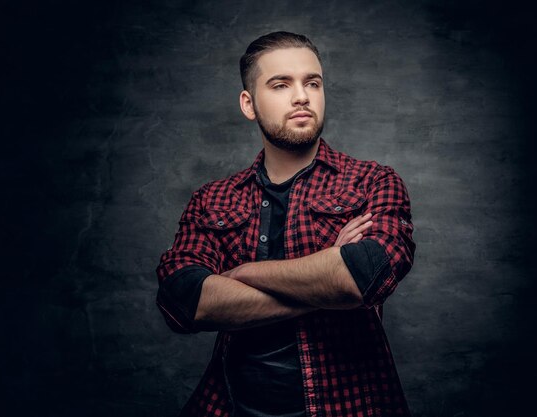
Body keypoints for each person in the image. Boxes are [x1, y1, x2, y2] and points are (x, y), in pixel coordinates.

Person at [156, 31, 416, 417]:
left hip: (351, 406)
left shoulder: (372, 182)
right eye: (281, 84)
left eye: (313, 82)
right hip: (229, 407)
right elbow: (184, 303)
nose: (302, 96)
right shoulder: (212, 199)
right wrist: (327, 272)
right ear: (249, 104)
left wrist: (241, 273)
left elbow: (363, 278)